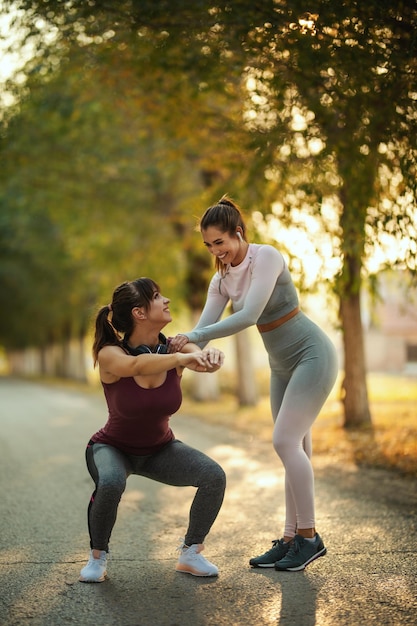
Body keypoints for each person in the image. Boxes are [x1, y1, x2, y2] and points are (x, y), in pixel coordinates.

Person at [169, 196, 338, 572]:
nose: (217, 251)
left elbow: (248, 316)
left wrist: (194, 333)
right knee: (295, 449)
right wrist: (188, 349)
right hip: (281, 366)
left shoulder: (267, 257)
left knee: (285, 441)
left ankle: (309, 538)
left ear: (238, 233)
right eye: (209, 245)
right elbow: (204, 334)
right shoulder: (221, 279)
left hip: (313, 355)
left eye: (221, 242)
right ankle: (291, 537)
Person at [79, 278, 226, 583]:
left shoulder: (175, 347)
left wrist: (210, 358)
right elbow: (136, 367)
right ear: (139, 313)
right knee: (110, 483)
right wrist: (182, 358)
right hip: (112, 448)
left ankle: (191, 554)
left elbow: (198, 358)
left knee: (213, 476)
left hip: (160, 449)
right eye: (158, 296)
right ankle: (97, 558)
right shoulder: (110, 354)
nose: (167, 300)